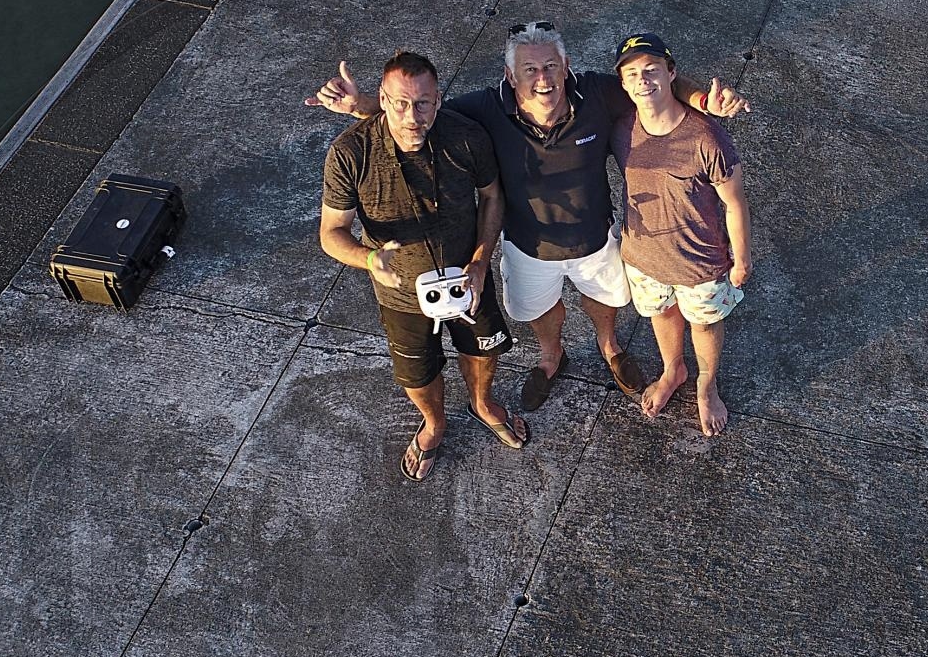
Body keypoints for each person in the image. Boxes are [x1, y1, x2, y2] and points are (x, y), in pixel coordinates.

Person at [310, 22, 747, 412]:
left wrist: (704, 99)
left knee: (604, 301)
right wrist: (361, 104)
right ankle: (551, 356)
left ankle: (610, 346)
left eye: (551, 66)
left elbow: (657, 80)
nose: (543, 79)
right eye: (530, 69)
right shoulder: (485, 108)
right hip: (527, 246)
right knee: (540, 308)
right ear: (510, 75)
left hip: (594, 240)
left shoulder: (597, 93)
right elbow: (419, 112)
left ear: (566, 67)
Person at [319, 50, 523, 482]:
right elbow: (331, 233)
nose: (412, 117)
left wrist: (481, 261)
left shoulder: (466, 137)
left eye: (423, 103)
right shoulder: (349, 153)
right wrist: (369, 258)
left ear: (438, 99)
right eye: (400, 103)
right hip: (400, 294)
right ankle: (434, 423)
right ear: (382, 100)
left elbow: (491, 196)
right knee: (416, 372)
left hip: (469, 277)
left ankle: (482, 403)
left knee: (482, 351)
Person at [611, 32, 749, 437]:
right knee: (661, 313)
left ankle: (707, 383)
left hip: (700, 263)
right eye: (632, 73)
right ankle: (674, 369)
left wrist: (742, 258)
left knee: (703, 325)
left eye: (652, 69)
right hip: (643, 257)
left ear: (671, 73)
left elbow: (735, 202)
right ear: (622, 83)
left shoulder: (707, 138)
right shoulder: (621, 127)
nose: (642, 80)